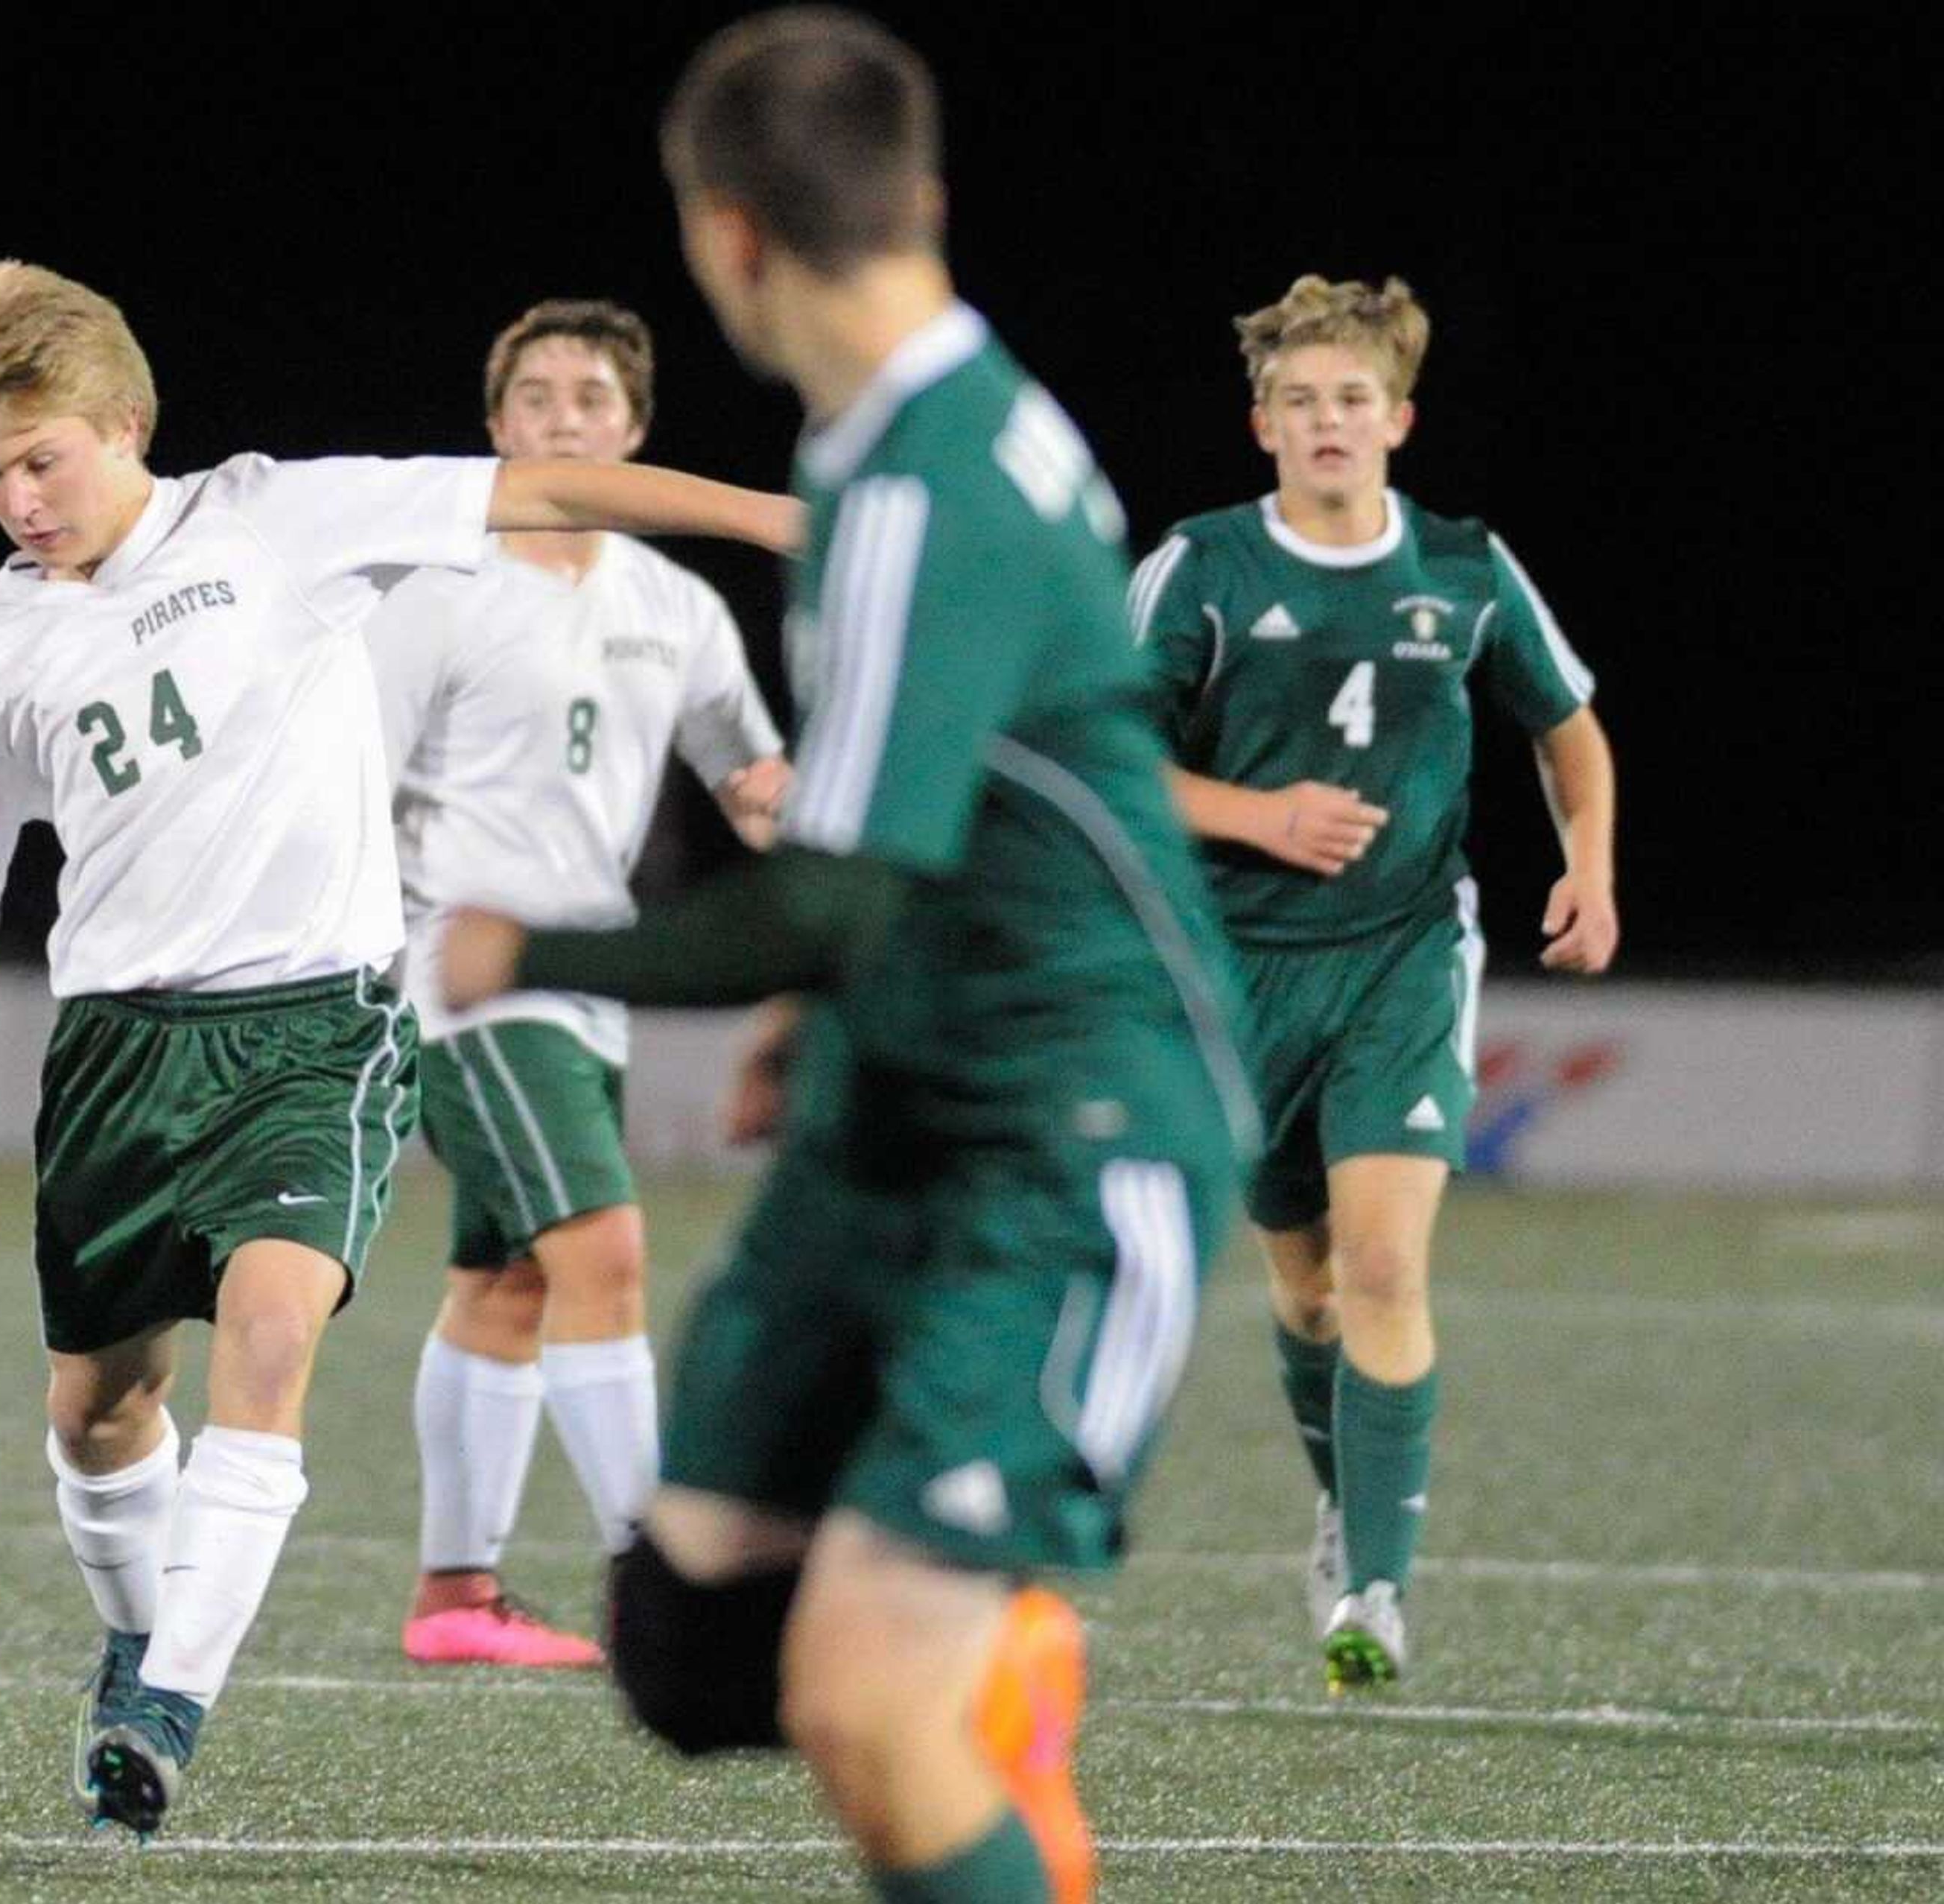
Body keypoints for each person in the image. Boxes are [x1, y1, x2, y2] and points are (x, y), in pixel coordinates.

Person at [0, 258, 797, 1841]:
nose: (19, 500)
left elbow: (546, 482)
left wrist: (780, 520)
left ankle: (166, 1716)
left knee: (270, 1339)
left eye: (43, 459)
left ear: (125, 422)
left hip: (317, 1031)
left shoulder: (280, 519)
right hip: (118, 1056)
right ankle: (139, 1636)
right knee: (100, 1414)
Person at [441, 14, 1255, 1901]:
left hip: (1074, 1135)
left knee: (871, 1703)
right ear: (921, 204)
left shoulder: (921, 486)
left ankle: (977, 1687)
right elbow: (904, 824)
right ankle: (1005, 1672)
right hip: (905, 1098)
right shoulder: (917, 432)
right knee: (689, 1645)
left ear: (723, 238)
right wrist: (822, 1008)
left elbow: (821, 895)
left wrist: (519, 947)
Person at [1131, 273, 1619, 1692]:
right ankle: (1343, 1499)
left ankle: (1377, 1590)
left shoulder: (1463, 566)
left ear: (1397, 419)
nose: (1328, 421)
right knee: (1308, 1292)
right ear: (1261, 424)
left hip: (1404, 955)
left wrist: (1589, 862)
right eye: (1301, 401)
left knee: (1389, 1262)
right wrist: (1258, 815)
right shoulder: (1205, 567)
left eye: (1353, 399)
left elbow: (1568, 725)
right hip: (1236, 967)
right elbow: (1103, 757)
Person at [369, 298, 791, 1669]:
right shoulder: (437, 598)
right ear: (497, 430)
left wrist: (799, 818)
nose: (564, 416)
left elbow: (749, 778)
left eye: (591, 397)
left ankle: (456, 1598)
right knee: (603, 1248)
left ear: (637, 428)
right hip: (464, 976)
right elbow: (347, 792)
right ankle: (670, 1594)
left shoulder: (676, 608)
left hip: (586, 980)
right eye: (537, 396)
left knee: (508, 1287)